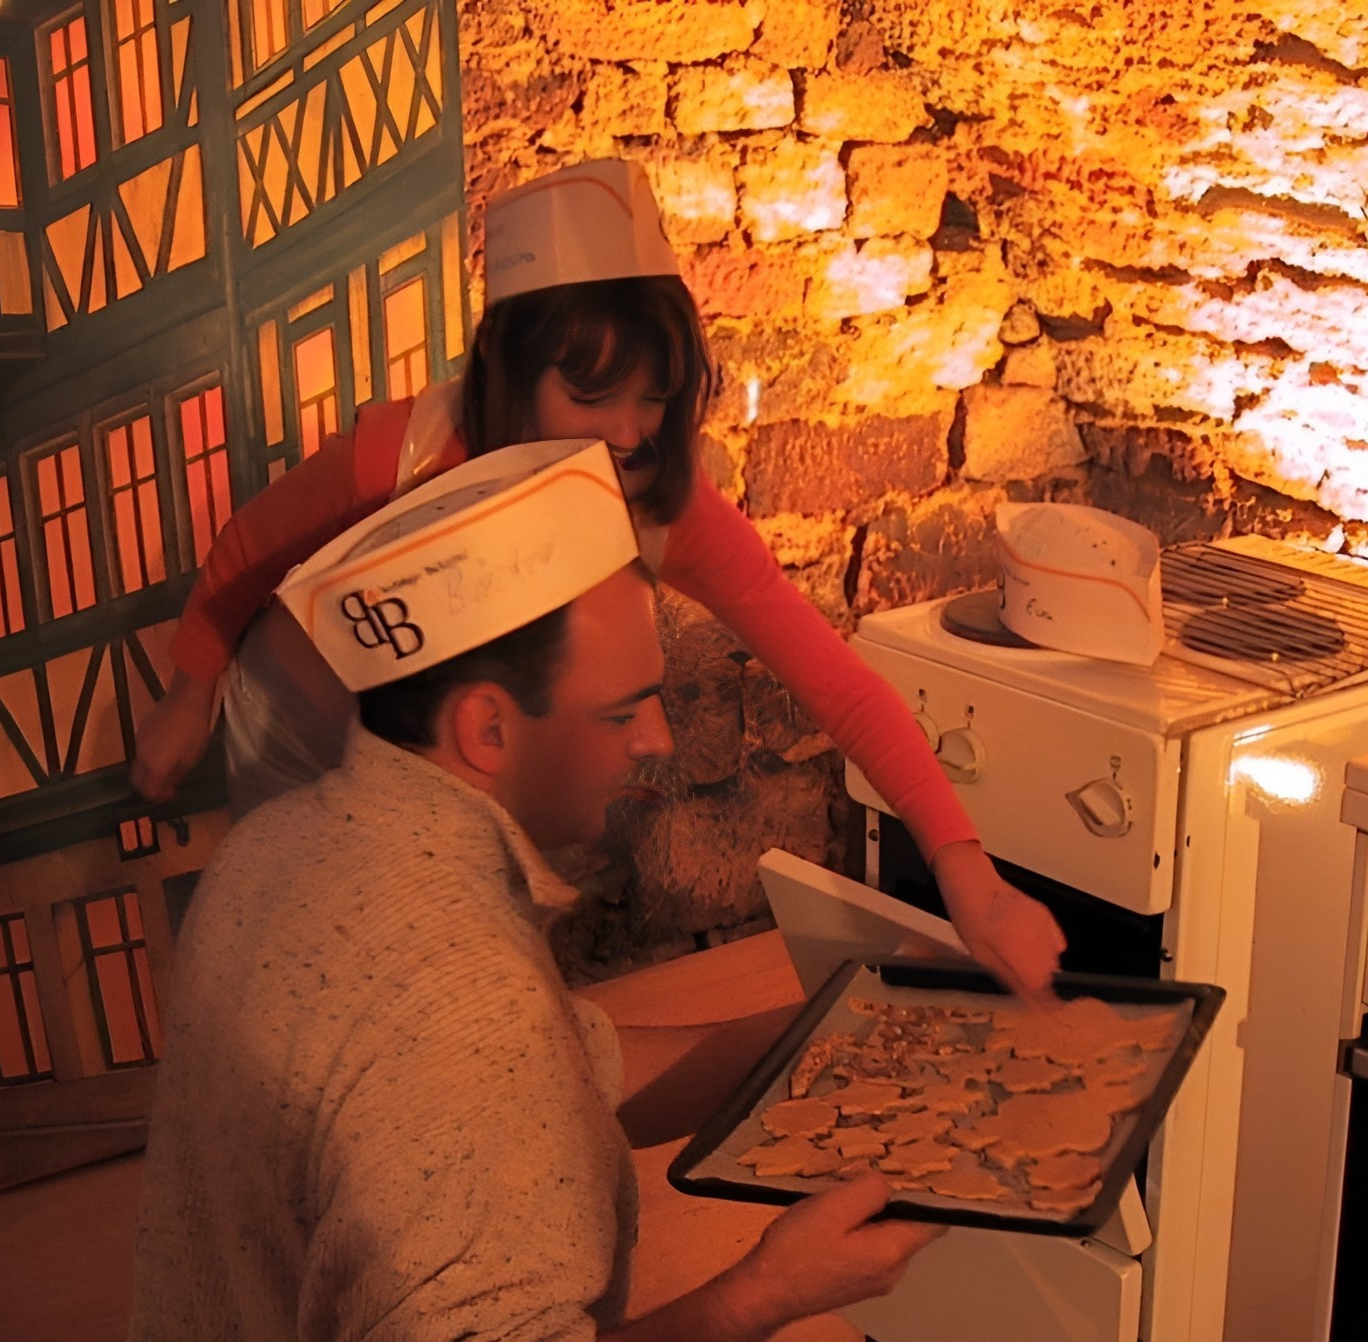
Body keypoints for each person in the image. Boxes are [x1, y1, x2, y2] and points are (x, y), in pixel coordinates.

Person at [128, 438, 943, 1342]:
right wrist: (772, 1292)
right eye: (627, 707)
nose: (657, 742)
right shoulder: (460, 1007)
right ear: (490, 726)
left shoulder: (313, 830)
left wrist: (821, 1034)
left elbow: (559, 1072)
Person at [129, 156, 1065, 999]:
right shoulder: (406, 453)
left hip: (456, 774)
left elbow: (845, 689)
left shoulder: (660, 505)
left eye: (650, 397)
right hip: (294, 733)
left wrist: (968, 879)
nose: (628, 431)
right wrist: (189, 687)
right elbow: (249, 547)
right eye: (590, 396)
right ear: (508, 370)